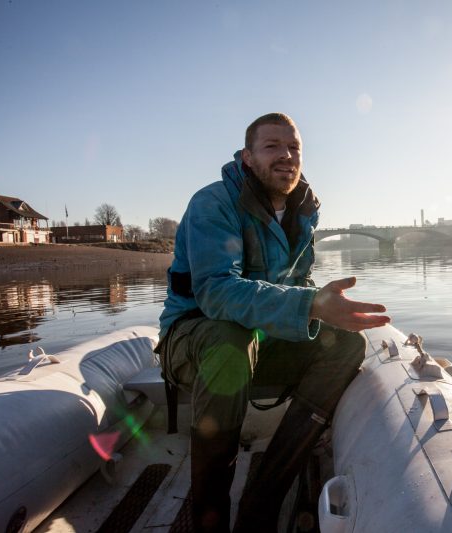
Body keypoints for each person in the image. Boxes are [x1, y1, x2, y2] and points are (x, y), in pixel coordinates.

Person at [155, 112, 390, 532]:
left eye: (294, 147)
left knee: (345, 346)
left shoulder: (304, 208)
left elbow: (297, 282)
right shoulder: (213, 203)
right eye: (272, 146)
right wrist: (311, 306)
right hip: (193, 337)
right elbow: (216, 293)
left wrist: (325, 305)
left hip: (259, 339)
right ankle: (208, 521)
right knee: (230, 342)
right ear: (247, 157)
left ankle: (261, 501)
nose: (286, 155)